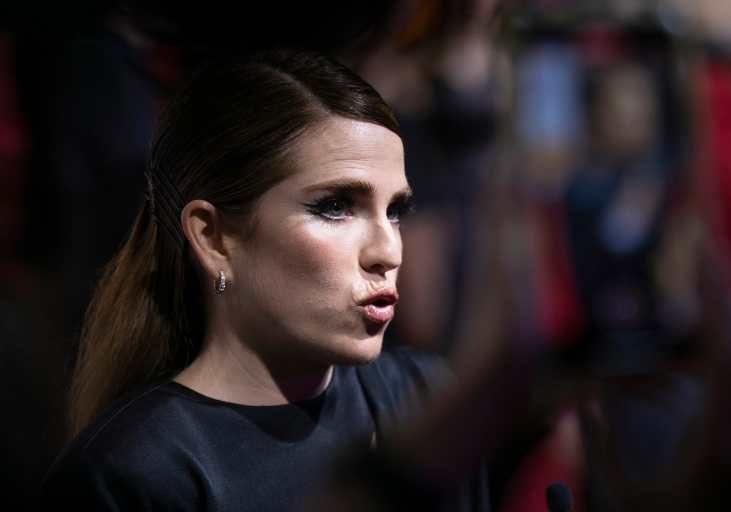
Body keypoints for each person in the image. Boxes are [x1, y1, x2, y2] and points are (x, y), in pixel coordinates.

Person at [38, 49, 476, 511]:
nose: (387, 251)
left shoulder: (425, 400)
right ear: (214, 239)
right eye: (335, 206)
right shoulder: (132, 474)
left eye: (396, 210)